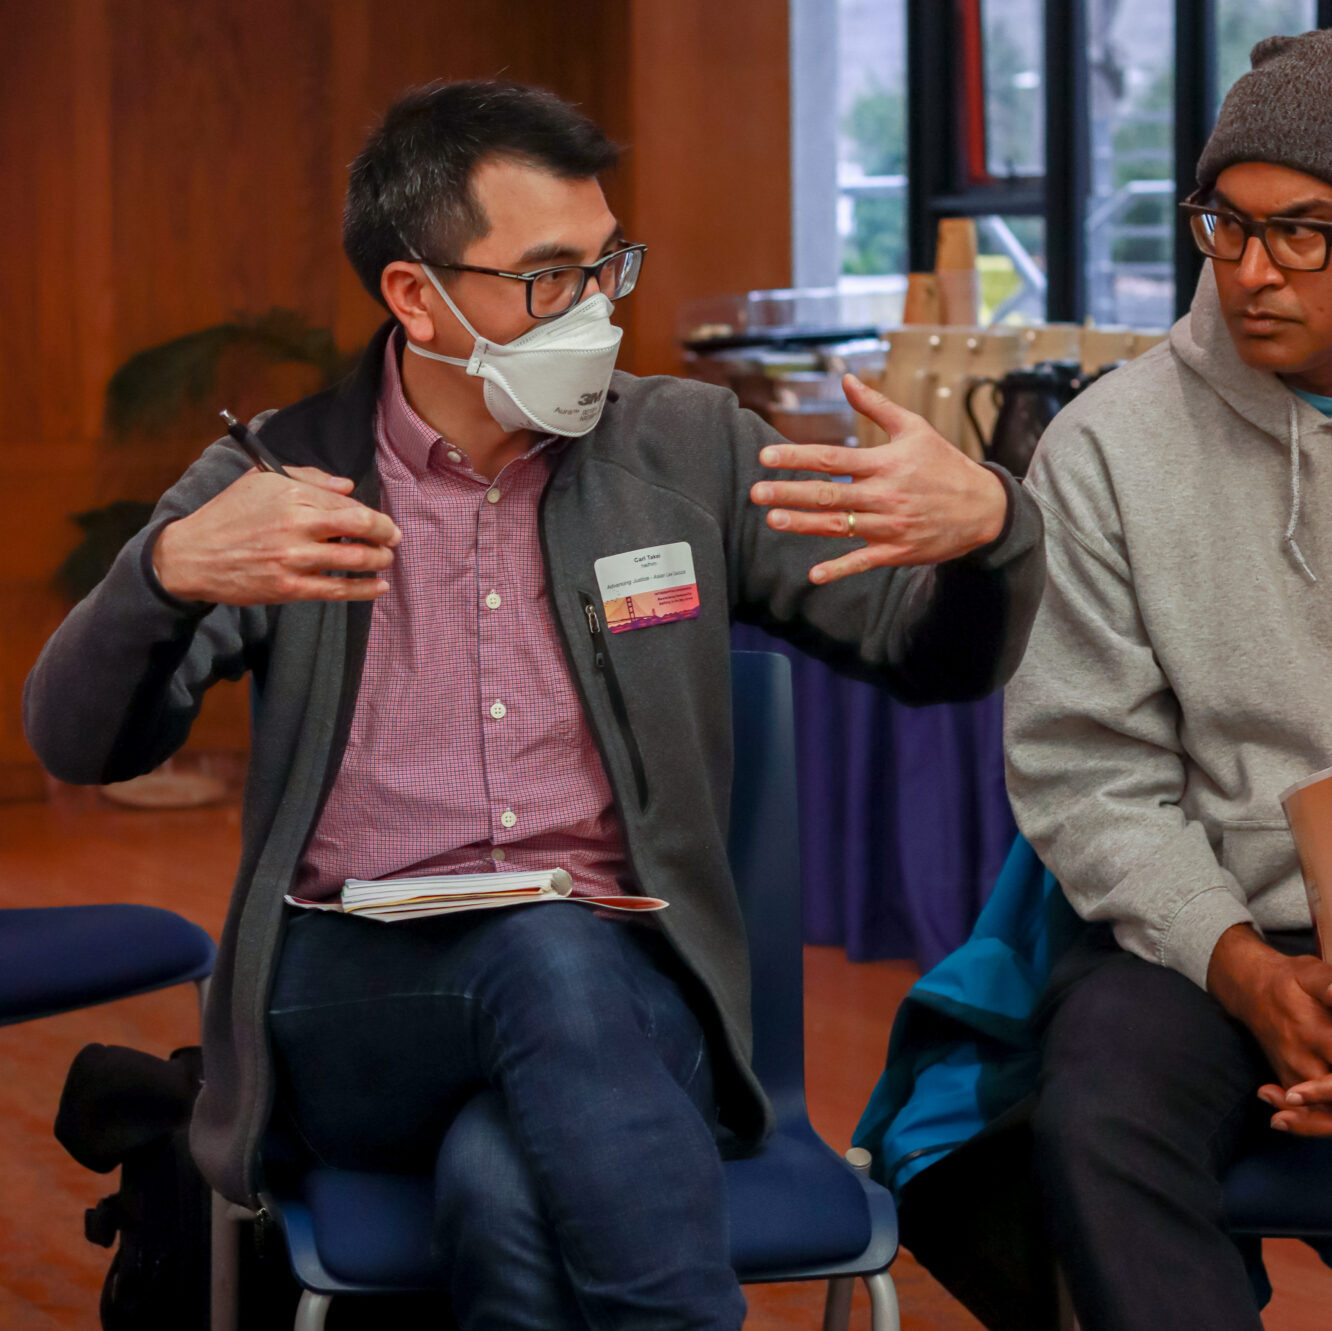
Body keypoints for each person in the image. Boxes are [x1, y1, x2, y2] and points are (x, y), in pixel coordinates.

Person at [26, 80, 1042, 1330]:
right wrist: (167, 573)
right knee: (542, 951)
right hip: (350, 1000)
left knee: (507, 1173)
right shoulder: (286, 480)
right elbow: (78, 738)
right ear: (417, 296)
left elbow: (921, 657)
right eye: (551, 275)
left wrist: (994, 530)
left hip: (628, 992)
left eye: (609, 263)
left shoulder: (688, 448)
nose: (601, 305)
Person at [1005, 30, 1332, 1331]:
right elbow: (1091, 776)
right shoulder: (1106, 449)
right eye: (1225, 225)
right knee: (1099, 1108)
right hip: (1213, 934)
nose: (1252, 271)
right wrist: (1245, 964)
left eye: (1303, 230)